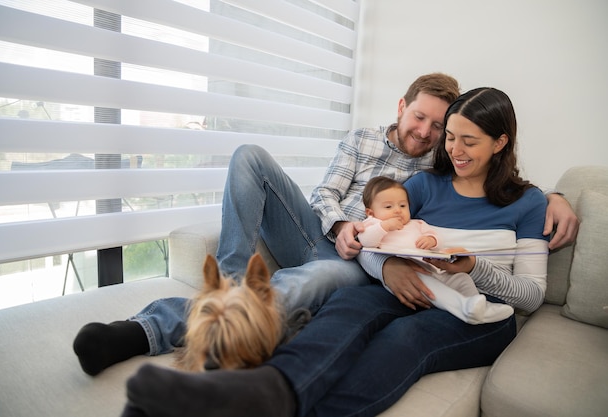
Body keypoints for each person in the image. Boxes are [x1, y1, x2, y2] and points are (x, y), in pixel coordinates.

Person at [73, 74, 578, 376]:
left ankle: (147, 330)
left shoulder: (438, 170)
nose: (428, 134)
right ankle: (227, 287)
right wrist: (341, 228)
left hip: (367, 264)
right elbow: (324, 196)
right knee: (250, 155)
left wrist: (552, 195)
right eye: (420, 118)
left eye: (440, 128)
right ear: (402, 107)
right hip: (326, 235)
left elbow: (492, 175)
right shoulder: (361, 140)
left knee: (305, 282)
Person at [357, 175, 514, 324]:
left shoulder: (417, 224)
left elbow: (438, 239)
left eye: (403, 205)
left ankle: (478, 304)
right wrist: (384, 227)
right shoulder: (372, 224)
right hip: (406, 274)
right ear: (371, 212)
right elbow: (366, 241)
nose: (398, 210)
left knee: (461, 278)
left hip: (433, 269)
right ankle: (465, 309)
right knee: (432, 288)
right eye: (389, 206)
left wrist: (431, 240)